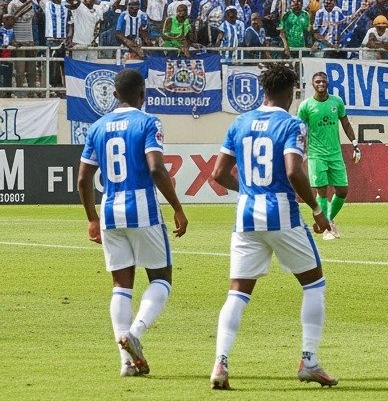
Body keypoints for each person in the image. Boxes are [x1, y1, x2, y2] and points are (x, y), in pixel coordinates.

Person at [209, 62, 336, 389]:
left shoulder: (240, 122)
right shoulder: (293, 125)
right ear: (291, 93)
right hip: (281, 212)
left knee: (237, 292)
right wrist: (317, 209)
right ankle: (309, 360)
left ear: (263, 91)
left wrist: (249, 189)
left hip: (246, 215)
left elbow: (219, 175)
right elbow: (294, 171)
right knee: (313, 284)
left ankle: (220, 363)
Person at [76, 68, 188, 377]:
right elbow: (156, 168)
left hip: (110, 210)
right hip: (142, 209)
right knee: (161, 279)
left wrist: (91, 218)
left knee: (121, 285)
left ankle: (125, 363)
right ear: (143, 95)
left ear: (114, 95)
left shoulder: (97, 127)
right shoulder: (148, 122)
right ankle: (135, 333)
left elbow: (84, 179)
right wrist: (178, 207)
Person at [297, 70, 362, 240]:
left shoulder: (337, 102)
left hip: (335, 154)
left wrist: (355, 144)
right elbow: (300, 131)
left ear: (327, 83)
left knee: (342, 190)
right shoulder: (305, 106)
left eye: (323, 81)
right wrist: (299, 152)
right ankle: (326, 228)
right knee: (322, 190)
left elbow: (346, 124)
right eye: (317, 81)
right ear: (312, 84)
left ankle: (328, 219)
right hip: (316, 154)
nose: (321, 84)